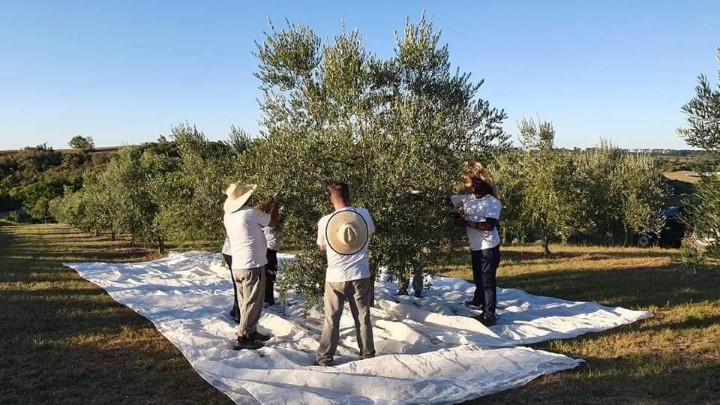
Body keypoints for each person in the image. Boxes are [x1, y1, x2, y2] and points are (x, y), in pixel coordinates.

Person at [315, 181, 376, 366]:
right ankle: (367, 354)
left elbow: (322, 247)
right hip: (360, 273)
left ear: (330, 199)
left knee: (331, 319)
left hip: (335, 276)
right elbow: (369, 232)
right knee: (362, 316)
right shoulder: (363, 214)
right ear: (350, 196)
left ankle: (325, 357)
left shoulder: (325, 221)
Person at [223, 183, 280, 350]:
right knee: (253, 302)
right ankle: (244, 336)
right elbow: (273, 221)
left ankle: (252, 331)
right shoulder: (251, 213)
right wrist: (275, 204)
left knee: (244, 302)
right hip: (253, 265)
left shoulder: (229, 215)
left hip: (238, 265)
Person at [451, 164, 502, 327]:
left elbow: (489, 225)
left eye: (475, 183)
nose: (472, 187)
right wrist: (418, 196)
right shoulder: (468, 199)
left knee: (487, 280)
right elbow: (447, 201)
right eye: (471, 184)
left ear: (483, 184)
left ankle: (489, 314)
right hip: (476, 246)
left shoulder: (492, 202)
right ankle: (479, 300)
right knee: (478, 277)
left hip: (489, 246)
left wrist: (465, 222)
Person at [222, 234, 240, 323]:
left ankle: (236, 309)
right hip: (235, 252)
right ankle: (238, 313)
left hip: (229, 251)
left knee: (238, 283)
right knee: (240, 284)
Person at [263, 224, 282, 306]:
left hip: (269, 252)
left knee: (269, 277)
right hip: (269, 252)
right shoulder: (272, 227)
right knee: (270, 277)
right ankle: (268, 299)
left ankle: (268, 298)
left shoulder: (266, 227)